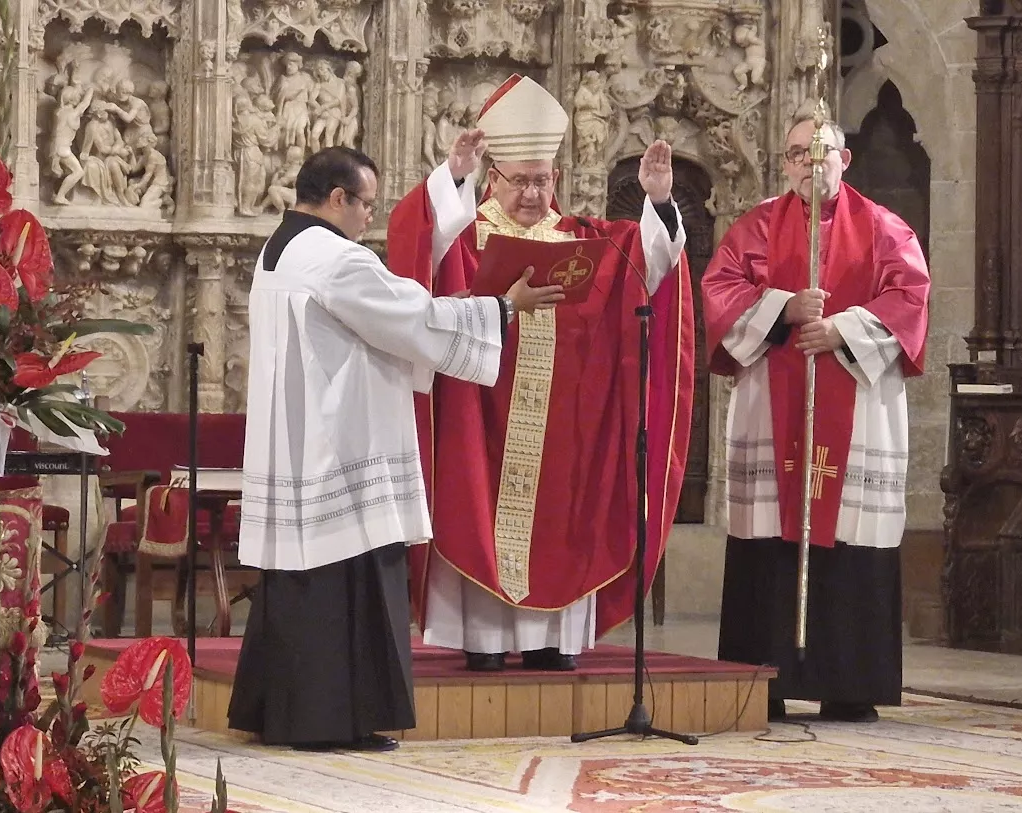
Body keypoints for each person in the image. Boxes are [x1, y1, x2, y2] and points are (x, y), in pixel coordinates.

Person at [227, 146, 562, 751]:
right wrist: (503, 310)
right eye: (365, 206)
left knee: (299, 584)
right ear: (337, 199)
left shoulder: (282, 250)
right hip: (342, 446)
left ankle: (283, 713)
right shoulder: (334, 259)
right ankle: (331, 722)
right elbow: (412, 316)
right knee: (344, 583)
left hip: (300, 440)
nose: (368, 220)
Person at [387, 74, 696, 672]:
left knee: (562, 521)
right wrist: (453, 177)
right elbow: (418, 255)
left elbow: (653, 268)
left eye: (542, 179)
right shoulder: (467, 237)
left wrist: (657, 202)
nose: (532, 193)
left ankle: (553, 640)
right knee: (479, 510)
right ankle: (483, 640)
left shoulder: (585, 239)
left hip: (565, 424)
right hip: (481, 419)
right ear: (493, 177)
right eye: (519, 181)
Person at [701, 116, 930, 722]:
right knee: (773, 536)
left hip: (857, 406)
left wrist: (840, 329)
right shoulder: (754, 228)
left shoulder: (885, 229)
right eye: (799, 152)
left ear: (845, 159)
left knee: (850, 536)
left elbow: (910, 298)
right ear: (785, 163)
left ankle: (849, 684)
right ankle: (767, 681)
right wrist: (781, 311)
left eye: (821, 152)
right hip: (772, 409)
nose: (810, 162)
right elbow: (719, 291)